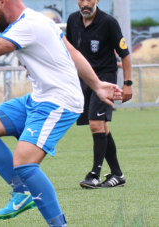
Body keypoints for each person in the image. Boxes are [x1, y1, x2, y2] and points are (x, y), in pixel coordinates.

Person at [0, 0, 123, 226]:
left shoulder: (29, 25)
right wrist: (96, 84)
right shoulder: (37, 20)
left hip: (59, 102)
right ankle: (22, 192)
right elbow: (72, 51)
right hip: (38, 98)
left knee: (24, 163)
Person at [66, 0, 132, 189]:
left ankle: (94, 174)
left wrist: (127, 83)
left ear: (97, 1)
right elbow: (68, 52)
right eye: (82, 0)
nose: (85, 3)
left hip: (105, 79)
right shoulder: (72, 20)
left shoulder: (108, 22)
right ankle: (117, 174)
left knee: (96, 124)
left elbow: (125, 54)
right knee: (102, 127)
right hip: (84, 80)